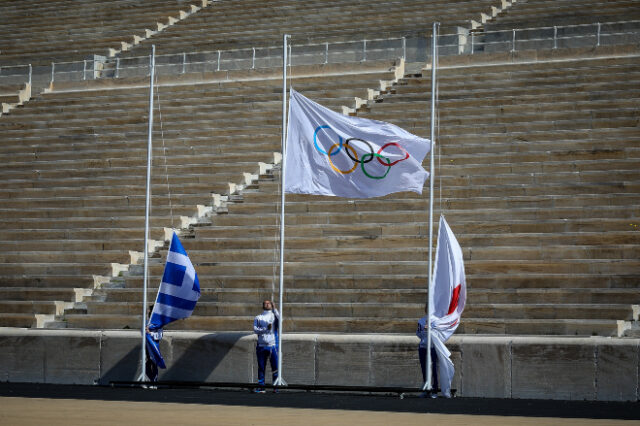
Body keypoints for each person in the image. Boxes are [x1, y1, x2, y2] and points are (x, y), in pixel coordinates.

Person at [253, 300, 279, 393]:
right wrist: (265, 329)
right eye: (265, 303)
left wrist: (275, 308)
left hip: (273, 345)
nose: (267, 304)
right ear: (263, 305)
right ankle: (261, 387)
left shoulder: (274, 316)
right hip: (261, 346)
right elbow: (255, 330)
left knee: (275, 367)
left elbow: (281, 320)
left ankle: (276, 387)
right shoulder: (258, 317)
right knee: (261, 367)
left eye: (269, 303)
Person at [416, 304, 439, 398]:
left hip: (432, 347)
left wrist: (431, 330)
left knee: (433, 369)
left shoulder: (436, 321)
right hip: (423, 347)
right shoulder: (421, 321)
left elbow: (438, 334)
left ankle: (434, 390)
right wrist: (423, 332)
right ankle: (426, 390)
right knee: (424, 369)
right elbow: (418, 333)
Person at [145, 304, 165, 383]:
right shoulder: (147, 322)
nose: (148, 312)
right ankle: (150, 380)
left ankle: (154, 381)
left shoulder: (158, 323)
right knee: (147, 363)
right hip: (146, 345)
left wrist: (150, 333)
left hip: (153, 345)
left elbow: (159, 335)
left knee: (154, 363)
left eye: (149, 310)